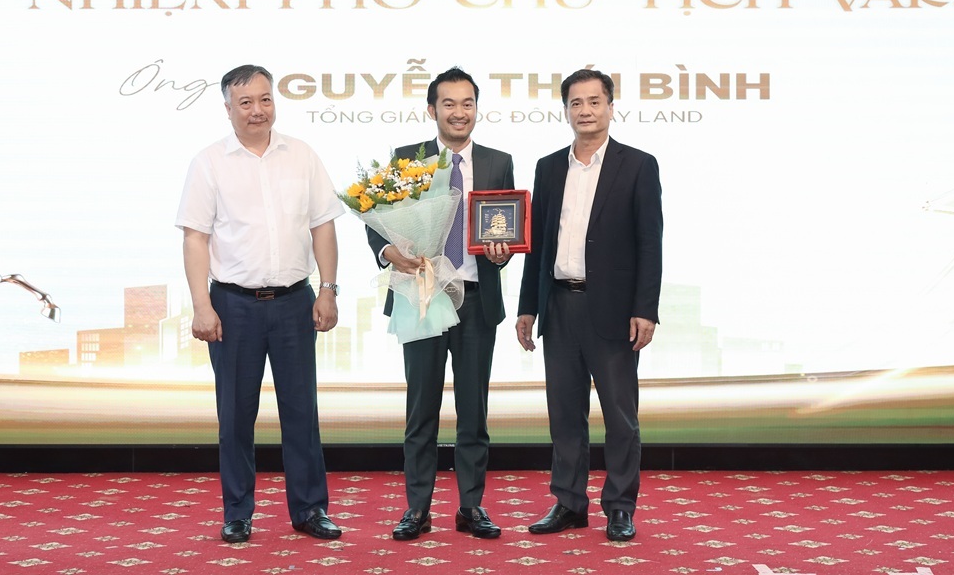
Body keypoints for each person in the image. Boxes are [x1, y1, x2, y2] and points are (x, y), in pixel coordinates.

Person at [176, 64, 345, 545]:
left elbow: (323, 226)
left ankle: (310, 509)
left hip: (295, 302)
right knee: (235, 417)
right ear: (228, 108)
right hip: (233, 306)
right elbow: (195, 238)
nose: (257, 110)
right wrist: (201, 305)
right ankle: (237, 513)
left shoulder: (302, 155)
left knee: (301, 413)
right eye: (246, 102)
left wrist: (328, 289)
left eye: (265, 99)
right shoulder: (209, 162)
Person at [367, 66, 514, 541]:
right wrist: (388, 252)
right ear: (432, 110)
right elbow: (377, 220)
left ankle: (471, 507)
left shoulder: (498, 162)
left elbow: (506, 229)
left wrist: (503, 252)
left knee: (474, 414)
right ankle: (417, 509)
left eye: (467, 103)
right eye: (448, 104)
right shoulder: (407, 159)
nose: (459, 112)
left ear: (477, 109)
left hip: (475, 300)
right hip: (423, 297)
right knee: (421, 412)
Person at [516, 69, 663, 543]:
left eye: (594, 102)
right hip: (559, 305)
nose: (585, 111)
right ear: (565, 111)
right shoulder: (548, 167)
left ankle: (620, 506)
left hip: (615, 311)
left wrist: (646, 309)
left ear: (611, 107)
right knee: (564, 415)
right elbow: (537, 245)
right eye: (576, 103)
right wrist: (528, 307)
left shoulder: (638, 165)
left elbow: (650, 243)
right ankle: (569, 502)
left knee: (620, 416)